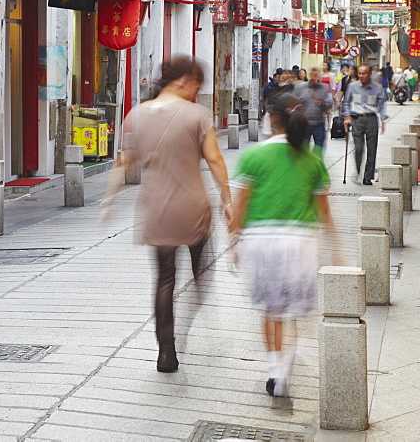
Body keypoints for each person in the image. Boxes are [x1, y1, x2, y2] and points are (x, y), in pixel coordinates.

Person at [106, 56, 233, 373]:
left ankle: (166, 351)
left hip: (157, 207)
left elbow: (122, 164)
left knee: (164, 279)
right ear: (182, 81)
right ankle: (192, 318)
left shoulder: (136, 115)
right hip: (193, 205)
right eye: (196, 83)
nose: (197, 89)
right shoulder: (197, 115)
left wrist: (108, 200)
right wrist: (228, 199)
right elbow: (215, 160)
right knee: (201, 273)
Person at [229, 93, 337, 397]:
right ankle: (288, 360)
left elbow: (240, 207)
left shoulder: (254, 156)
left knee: (272, 309)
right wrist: (335, 250)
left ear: (272, 117)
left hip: (262, 243)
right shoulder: (313, 160)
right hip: (300, 243)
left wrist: (235, 242)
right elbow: (324, 212)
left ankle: (275, 369)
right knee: (295, 312)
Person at [342, 64, 388, 185]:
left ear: (370, 74)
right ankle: (358, 172)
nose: (361, 76)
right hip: (357, 119)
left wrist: (383, 120)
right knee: (358, 148)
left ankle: (368, 176)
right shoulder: (352, 86)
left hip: (371, 119)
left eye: (364, 73)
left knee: (372, 148)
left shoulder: (377, 88)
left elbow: (382, 105)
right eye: (360, 73)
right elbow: (346, 102)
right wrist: (347, 117)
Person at [294, 67, 333, 150]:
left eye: (317, 75)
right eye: (314, 75)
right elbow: (294, 103)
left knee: (319, 148)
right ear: (310, 75)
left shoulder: (324, 88)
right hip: (304, 123)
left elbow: (330, 103)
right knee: (304, 150)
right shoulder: (300, 87)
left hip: (319, 123)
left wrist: (322, 104)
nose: (315, 78)